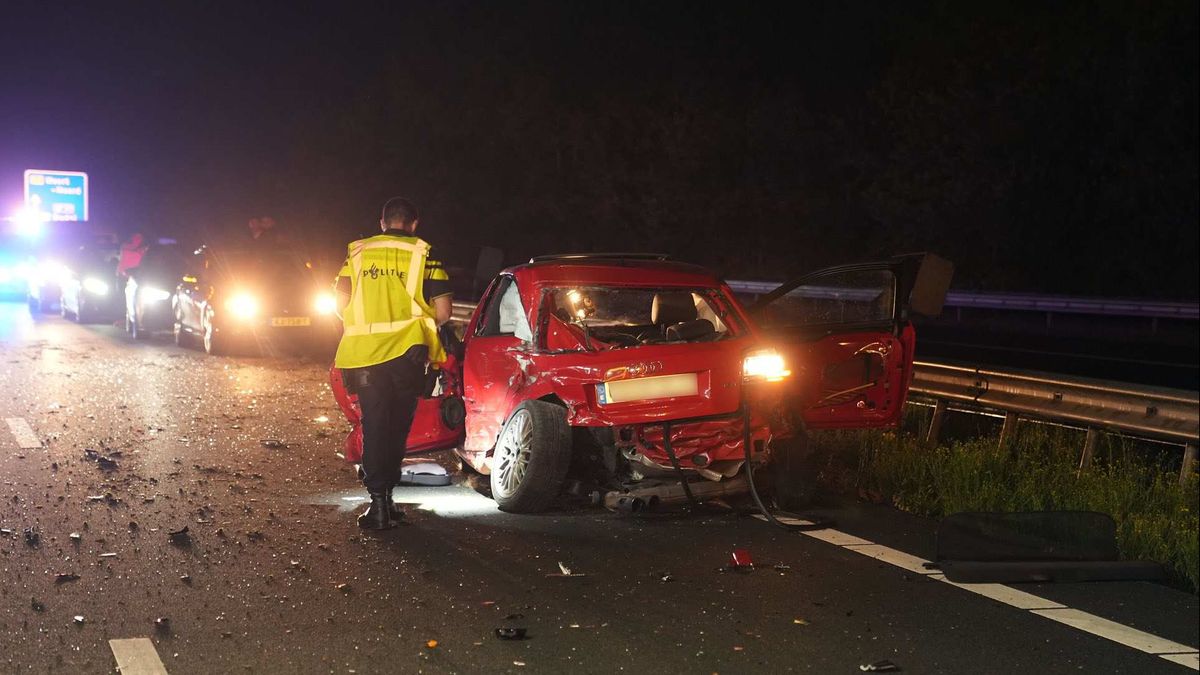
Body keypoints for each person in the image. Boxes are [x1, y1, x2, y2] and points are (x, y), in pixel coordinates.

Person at [334, 197, 453, 529]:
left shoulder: (357, 254)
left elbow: (338, 303)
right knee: (398, 428)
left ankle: (378, 505)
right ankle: (389, 499)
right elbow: (442, 313)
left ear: (382, 222)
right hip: (409, 355)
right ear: (414, 224)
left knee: (374, 426)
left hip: (365, 355)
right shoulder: (424, 253)